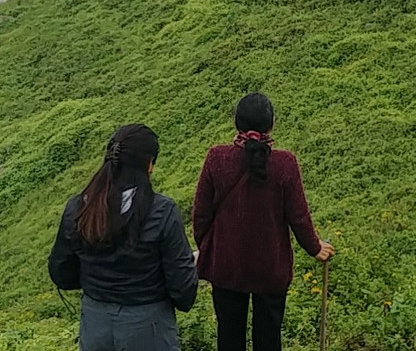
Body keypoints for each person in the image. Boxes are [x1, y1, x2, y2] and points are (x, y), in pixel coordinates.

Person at [193, 93, 334, 351]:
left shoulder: (216, 158)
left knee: (228, 336)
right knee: (269, 338)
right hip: (270, 267)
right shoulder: (285, 164)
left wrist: (212, 247)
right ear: (271, 124)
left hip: (227, 266)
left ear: (236, 123)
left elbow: (200, 215)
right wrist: (315, 248)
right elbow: (298, 217)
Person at [49, 124, 197, 351]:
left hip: (95, 322)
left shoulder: (79, 207)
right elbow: (183, 287)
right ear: (149, 165)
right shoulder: (161, 211)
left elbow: (61, 271)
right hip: (148, 324)